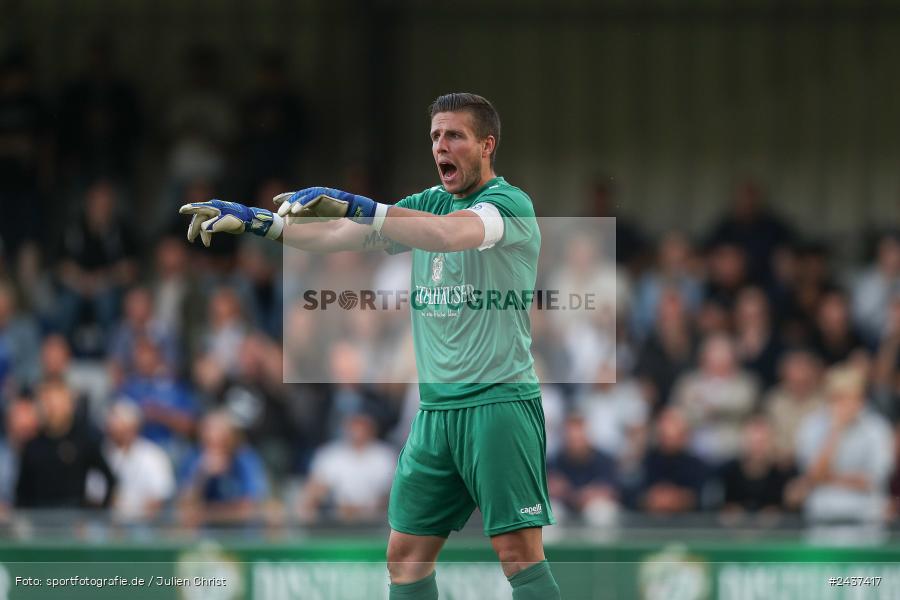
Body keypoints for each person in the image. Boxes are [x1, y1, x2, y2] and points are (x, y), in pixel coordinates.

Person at [180, 92, 561, 599]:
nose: (440, 146)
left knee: (518, 556)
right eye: (435, 136)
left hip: (498, 404)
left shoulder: (509, 204)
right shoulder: (430, 201)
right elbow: (340, 236)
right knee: (405, 558)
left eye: (454, 136)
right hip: (435, 411)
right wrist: (259, 222)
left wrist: (363, 206)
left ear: (487, 145)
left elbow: (448, 236)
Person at [787, 365, 894, 524]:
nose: (844, 404)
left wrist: (829, 479)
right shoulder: (812, 425)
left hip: (867, 514)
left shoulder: (877, 428)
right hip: (822, 514)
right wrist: (836, 431)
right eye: (838, 398)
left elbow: (873, 480)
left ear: (861, 399)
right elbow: (813, 476)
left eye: (849, 397)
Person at [15, 379, 115, 509]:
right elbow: (21, 492)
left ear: (69, 404)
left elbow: (109, 478)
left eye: (57, 404)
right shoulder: (32, 445)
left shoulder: (83, 440)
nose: (53, 410)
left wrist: (99, 512)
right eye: (48, 403)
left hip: (74, 515)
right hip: (39, 516)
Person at [299, 411, 397, 523]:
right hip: (336, 520)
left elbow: (394, 492)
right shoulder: (329, 454)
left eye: (363, 427)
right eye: (355, 427)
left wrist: (365, 509)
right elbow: (314, 489)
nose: (358, 432)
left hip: (378, 520)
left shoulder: (386, 455)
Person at [104, 402, 175, 523]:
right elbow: (95, 495)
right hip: (108, 523)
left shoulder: (153, 456)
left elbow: (158, 499)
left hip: (145, 524)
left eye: (121, 427)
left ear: (133, 427)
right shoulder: (104, 453)